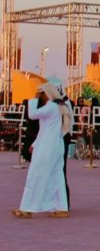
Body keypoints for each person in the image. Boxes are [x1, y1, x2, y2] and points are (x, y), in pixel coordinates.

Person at [12, 84, 71, 219]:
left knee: (35, 175)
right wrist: (35, 143)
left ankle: (27, 208)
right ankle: (62, 207)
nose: (41, 96)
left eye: (42, 93)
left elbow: (32, 115)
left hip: (47, 147)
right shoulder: (61, 105)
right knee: (57, 176)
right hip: (56, 144)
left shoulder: (51, 106)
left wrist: (33, 99)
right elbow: (46, 128)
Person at [21, 98, 40, 163]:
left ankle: (26, 156)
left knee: (28, 141)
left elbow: (27, 116)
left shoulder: (30, 104)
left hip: (31, 126)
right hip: (36, 126)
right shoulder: (40, 104)